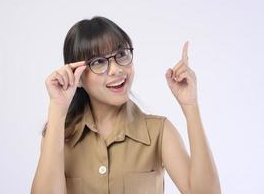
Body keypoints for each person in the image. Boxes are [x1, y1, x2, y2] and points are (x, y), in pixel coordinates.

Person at [31, 16, 221, 194]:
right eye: (98, 62)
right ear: (77, 76)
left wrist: (191, 105)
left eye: (121, 54)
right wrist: (57, 107)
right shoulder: (60, 135)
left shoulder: (159, 132)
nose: (116, 69)